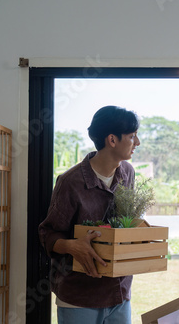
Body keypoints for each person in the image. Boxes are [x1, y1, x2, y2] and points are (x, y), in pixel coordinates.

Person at [38, 105, 141, 324]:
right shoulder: (70, 182)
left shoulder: (127, 173)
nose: (137, 143)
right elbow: (47, 234)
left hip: (119, 293)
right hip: (79, 297)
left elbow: (125, 221)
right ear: (112, 140)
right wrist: (71, 245)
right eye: (132, 136)